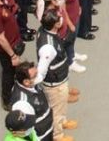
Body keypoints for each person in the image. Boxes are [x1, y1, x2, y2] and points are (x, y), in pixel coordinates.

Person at [36, 9, 79, 141]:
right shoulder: (48, 48)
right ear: (55, 24)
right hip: (55, 85)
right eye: (59, 18)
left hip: (61, 79)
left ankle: (63, 121)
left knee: (61, 106)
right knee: (56, 111)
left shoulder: (46, 31)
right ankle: (57, 135)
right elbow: (41, 70)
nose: (62, 19)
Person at [11, 62, 57, 141]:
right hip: (40, 136)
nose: (38, 76)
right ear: (26, 82)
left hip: (48, 127)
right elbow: (22, 127)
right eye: (35, 75)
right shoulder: (21, 102)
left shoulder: (32, 84)